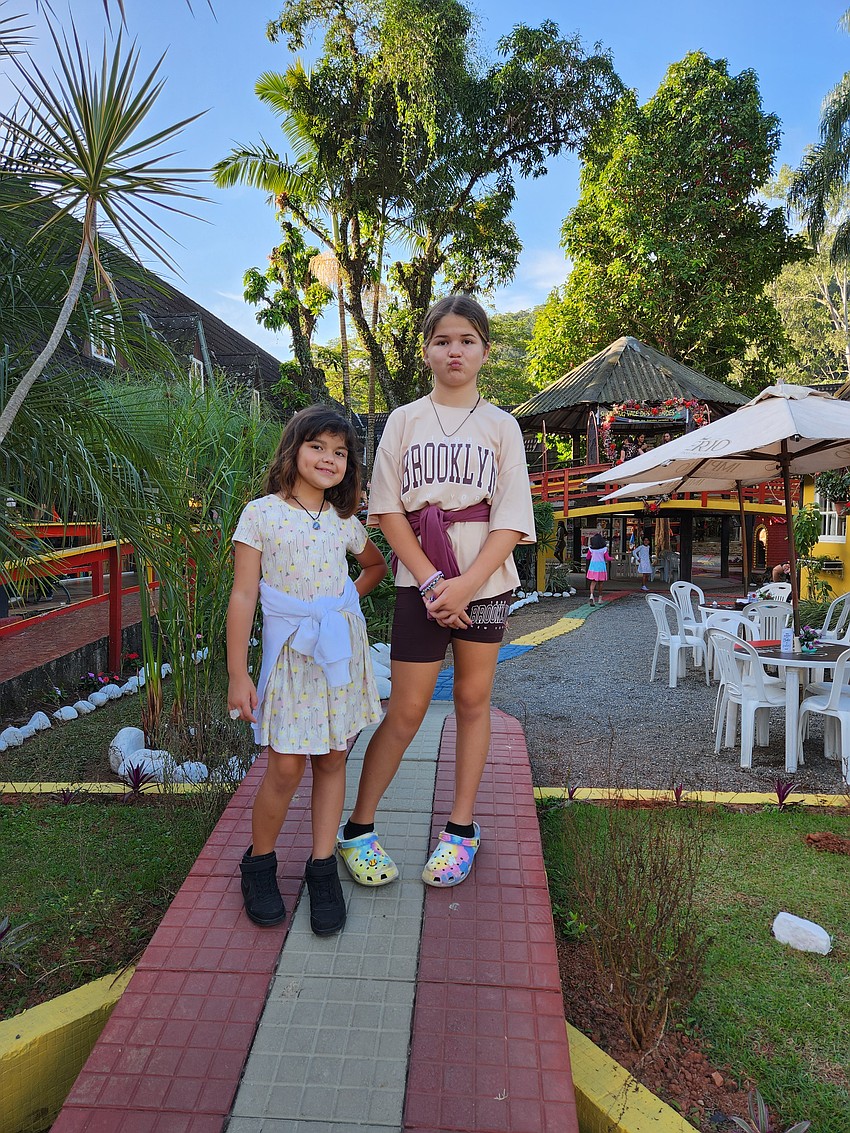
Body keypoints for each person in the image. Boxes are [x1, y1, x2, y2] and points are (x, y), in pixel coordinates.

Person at [337, 294, 535, 889]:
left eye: (467, 341)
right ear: (426, 349)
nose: (455, 350)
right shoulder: (404, 421)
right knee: (406, 709)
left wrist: (467, 586)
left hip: (485, 582)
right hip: (416, 583)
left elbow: (511, 519)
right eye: (444, 340)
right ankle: (358, 829)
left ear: (485, 352)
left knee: (474, 702)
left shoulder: (502, 425)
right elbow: (388, 510)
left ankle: (461, 830)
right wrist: (430, 581)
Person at [227, 405, 387, 935]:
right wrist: (237, 673)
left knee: (333, 759)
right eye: (318, 446)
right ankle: (260, 863)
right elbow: (245, 594)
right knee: (287, 765)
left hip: (338, 656)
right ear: (294, 449)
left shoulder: (344, 520)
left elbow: (375, 567)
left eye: (340, 453)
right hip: (291, 658)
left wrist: (344, 604)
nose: (329, 459)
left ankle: (322, 869)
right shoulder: (261, 514)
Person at [586, 532, 611, 604]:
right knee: (600, 583)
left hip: (593, 566)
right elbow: (607, 558)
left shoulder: (591, 549)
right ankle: (600, 599)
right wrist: (612, 558)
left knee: (593, 582)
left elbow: (588, 557)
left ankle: (591, 596)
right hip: (601, 567)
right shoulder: (604, 549)